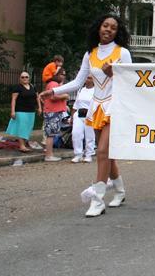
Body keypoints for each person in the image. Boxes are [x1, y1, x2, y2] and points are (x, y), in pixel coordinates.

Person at [41, 14, 133, 217]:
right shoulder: (90, 54)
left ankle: (98, 200)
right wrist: (53, 91)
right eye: (105, 26)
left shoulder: (122, 53)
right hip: (97, 106)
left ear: (118, 32)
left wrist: (113, 74)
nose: (108, 30)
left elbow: (131, 83)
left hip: (114, 106)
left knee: (101, 152)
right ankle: (119, 191)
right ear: (98, 28)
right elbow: (77, 82)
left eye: (113, 28)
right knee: (107, 154)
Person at [6, 72, 41, 152]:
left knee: (28, 127)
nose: (24, 79)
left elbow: (37, 97)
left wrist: (39, 107)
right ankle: (22, 145)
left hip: (31, 111)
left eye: (26, 77)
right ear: (20, 78)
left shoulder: (32, 86)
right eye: (22, 77)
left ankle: (23, 144)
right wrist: (13, 111)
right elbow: (13, 99)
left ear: (28, 78)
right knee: (22, 127)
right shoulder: (18, 87)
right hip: (21, 110)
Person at [42, 68, 69, 162]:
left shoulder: (53, 84)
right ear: (59, 75)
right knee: (51, 134)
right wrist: (65, 96)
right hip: (53, 111)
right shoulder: (54, 84)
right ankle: (49, 155)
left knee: (52, 133)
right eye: (63, 75)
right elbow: (53, 97)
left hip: (52, 111)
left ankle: (50, 154)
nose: (64, 77)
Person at [71, 75, 96, 163]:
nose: (86, 79)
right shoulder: (81, 90)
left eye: (89, 78)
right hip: (79, 113)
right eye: (86, 77)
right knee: (76, 133)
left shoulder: (96, 91)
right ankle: (78, 153)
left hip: (90, 114)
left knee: (90, 135)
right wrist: (72, 115)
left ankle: (89, 154)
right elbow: (76, 103)